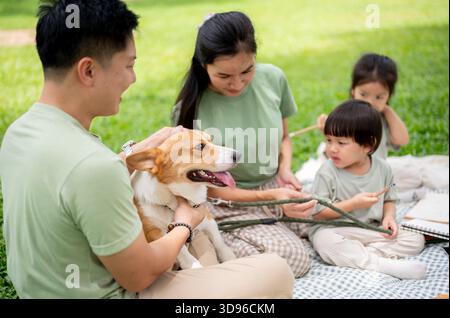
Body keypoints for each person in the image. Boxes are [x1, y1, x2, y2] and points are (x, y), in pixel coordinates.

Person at [0, 0, 295, 298]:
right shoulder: (95, 167)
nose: (133, 78)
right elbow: (140, 276)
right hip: (123, 291)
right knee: (277, 271)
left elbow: (74, 185)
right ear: (88, 71)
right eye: (129, 65)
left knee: (214, 253)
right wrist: (184, 223)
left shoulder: (18, 133)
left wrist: (129, 158)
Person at [172, 11, 316, 277]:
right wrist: (270, 198)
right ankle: (213, 244)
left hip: (274, 186)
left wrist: (284, 171)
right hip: (227, 202)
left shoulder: (273, 78)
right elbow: (206, 188)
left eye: (247, 70)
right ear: (204, 65)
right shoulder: (190, 108)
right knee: (292, 258)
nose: (237, 83)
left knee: (326, 222)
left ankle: (263, 232)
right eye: (224, 76)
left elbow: (284, 137)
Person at [310, 100, 426, 280]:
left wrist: (388, 217)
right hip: (336, 229)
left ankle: (363, 255)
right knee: (323, 240)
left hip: (370, 230)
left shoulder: (383, 169)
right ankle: (381, 264)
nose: (332, 148)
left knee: (416, 239)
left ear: (368, 146)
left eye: (341, 143)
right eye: (328, 140)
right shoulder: (327, 172)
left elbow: (389, 199)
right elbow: (318, 213)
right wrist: (354, 203)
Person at [317, 53, 409, 159]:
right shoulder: (346, 116)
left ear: (389, 96)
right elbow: (333, 148)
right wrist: (328, 127)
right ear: (353, 90)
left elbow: (402, 140)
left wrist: (388, 111)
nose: (369, 102)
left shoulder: (383, 119)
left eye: (379, 97)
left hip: (375, 173)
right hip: (347, 173)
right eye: (363, 94)